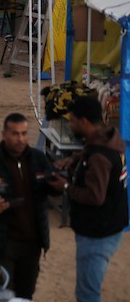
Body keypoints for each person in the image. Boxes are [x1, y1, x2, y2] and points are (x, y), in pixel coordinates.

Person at [0, 112, 59, 298]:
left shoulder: (39, 159)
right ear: (4, 134)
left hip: (33, 243)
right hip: (2, 243)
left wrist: (60, 186)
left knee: (26, 294)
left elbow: (52, 190)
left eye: (24, 133)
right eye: (15, 134)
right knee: (4, 294)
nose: (20, 139)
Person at [61, 94, 128, 302]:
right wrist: (75, 160)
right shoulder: (107, 139)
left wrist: (65, 186)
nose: (70, 124)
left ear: (83, 121)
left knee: (87, 293)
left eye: (72, 120)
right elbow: (92, 153)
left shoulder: (99, 156)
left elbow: (94, 196)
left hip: (97, 234)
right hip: (108, 226)